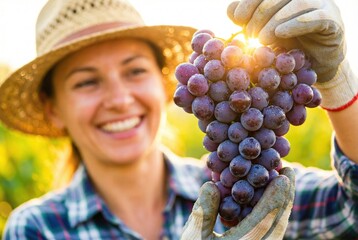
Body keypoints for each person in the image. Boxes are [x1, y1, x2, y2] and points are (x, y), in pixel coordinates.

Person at [1, 0, 357, 239]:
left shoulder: (245, 184)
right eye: (87, 82)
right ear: (54, 109)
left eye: (135, 71)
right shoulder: (38, 228)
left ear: (164, 82)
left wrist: (340, 88)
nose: (120, 99)